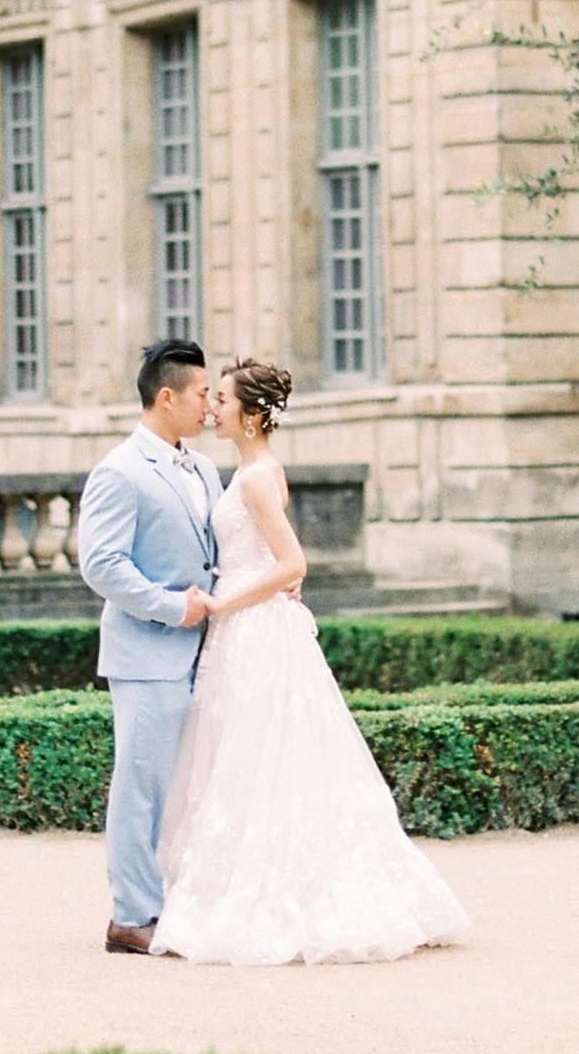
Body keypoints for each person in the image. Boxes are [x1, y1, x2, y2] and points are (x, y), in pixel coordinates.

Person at [150, 355, 472, 967]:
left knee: (257, 756)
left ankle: (268, 893)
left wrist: (223, 600)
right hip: (251, 626)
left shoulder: (253, 479)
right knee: (254, 757)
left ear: (248, 414)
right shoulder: (257, 470)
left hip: (252, 628)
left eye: (220, 399)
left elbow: (292, 564)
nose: (211, 408)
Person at [74, 337, 220, 953]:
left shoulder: (205, 468)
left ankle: (174, 899)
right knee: (141, 785)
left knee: (188, 784)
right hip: (148, 653)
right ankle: (131, 915)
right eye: (203, 394)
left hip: (207, 652)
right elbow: (100, 564)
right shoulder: (119, 471)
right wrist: (171, 608)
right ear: (168, 397)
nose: (211, 406)